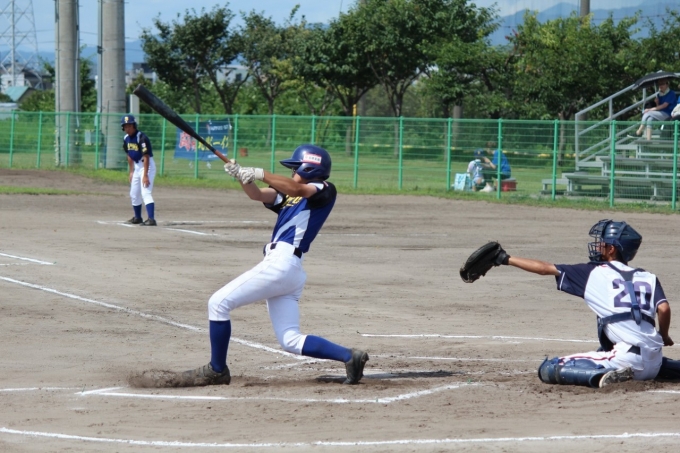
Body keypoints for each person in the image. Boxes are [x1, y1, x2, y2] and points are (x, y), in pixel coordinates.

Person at [178, 144, 369, 386]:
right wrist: (242, 176)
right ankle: (350, 356)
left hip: (282, 264)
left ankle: (217, 370)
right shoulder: (289, 195)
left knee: (218, 303)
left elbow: (298, 188)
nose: (292, 172)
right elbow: (257, 194)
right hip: (287, 270)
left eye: (295, 168)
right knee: (290, 339)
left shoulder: (323, 189)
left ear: (310, 168)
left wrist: (259, 172)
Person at [488, 219, 673, 388]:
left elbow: (544, 268)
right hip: (655, 362)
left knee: (550, 367)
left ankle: (600, 376)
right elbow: (664, 308)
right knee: (607, 350)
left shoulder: (593, 272)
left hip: (626, 360)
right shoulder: (648, 277)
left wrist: (505, 258)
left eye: (602, 243)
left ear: (611, 249)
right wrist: (664, 336)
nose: (597, 246)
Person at [122, 115, 157, 226]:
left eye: (129, 125)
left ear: (134, 125)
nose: (127, 128)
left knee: (145, 192)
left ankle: (151, 219)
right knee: (133, 193)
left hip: (147, 166)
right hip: (137, 167)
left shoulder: (141, 137)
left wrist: (145, 175)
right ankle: (138, 217)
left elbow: (146, 156)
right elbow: (129, 154)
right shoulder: (126, 138)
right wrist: (131, 171)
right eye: (125, 126)